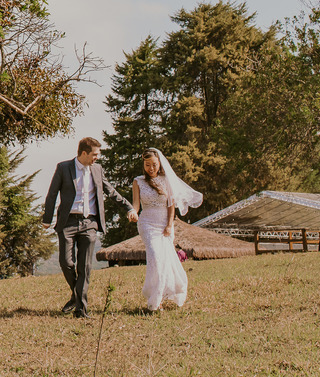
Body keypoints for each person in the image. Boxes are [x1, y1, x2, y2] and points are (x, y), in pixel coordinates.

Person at [42, 137, 132, 319]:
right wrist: (47, 218)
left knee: (85, 267)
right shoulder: (63, 167)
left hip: (89, 223)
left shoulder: (97, 169)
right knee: (66, 263)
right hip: (67, 222)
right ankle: (76, 295)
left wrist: (128, 207)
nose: (97, 158)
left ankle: (81, 310)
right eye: (95, 154)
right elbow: (52, 194)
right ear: (84, 153)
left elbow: (110, 191)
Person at [129, 148, 203, 312]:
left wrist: (169, 225)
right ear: (144, 165)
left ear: (159, 164)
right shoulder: (138, 181)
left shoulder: (166, 180)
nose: (151, 168)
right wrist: (133, 212)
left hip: (164, 223)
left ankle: (163, 294)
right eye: (147, 165)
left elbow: (171, 205)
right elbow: (136, 204)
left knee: (165, 260)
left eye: (154, 164)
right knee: (155, 256)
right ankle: (155, 300)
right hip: (147, 223)